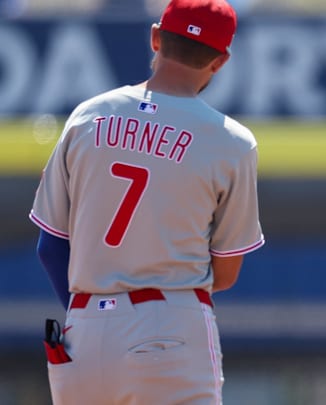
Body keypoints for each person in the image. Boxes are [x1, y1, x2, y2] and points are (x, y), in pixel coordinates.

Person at [28, 0, 265, 403]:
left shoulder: (88, 116)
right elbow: (225, 273)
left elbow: (50, 245)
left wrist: (93, 313)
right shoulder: (232, 142)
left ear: (156, 37)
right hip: (170, 323)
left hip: (84, 332)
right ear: (221, 60)